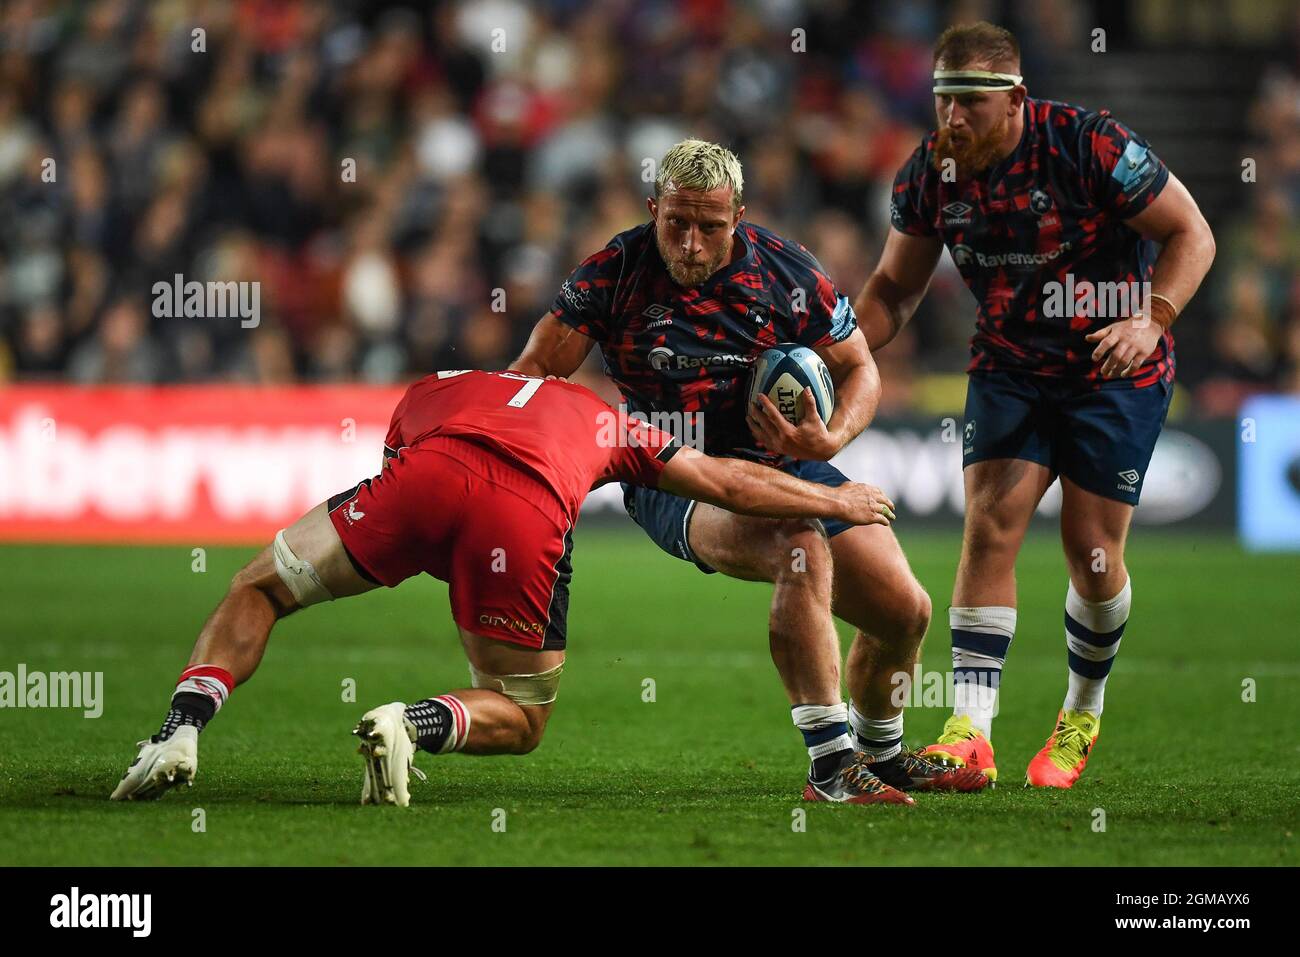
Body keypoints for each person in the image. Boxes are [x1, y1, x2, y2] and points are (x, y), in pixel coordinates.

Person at [111, 370, 898, 806]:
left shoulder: (436, 384)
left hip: (425, 473)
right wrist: (836, 499)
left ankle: (179, 729)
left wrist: (424, 543)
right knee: (521, 712)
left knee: (263, 585)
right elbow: (722, 479)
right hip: (524, 514)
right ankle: (410, 721)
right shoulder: (602, 418)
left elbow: (399, 460)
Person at [513, 139, 988, 803]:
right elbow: (531, 377)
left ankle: (879, 755)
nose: (691, 243)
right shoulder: (613, 272)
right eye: (676, 223)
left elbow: (860, 367)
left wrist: (831, 438)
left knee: (903, 612)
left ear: (738, 215)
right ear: (654, 209)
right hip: (674, 475)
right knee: (798, 547)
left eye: (710, 226)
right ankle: (830, 766)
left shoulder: (784, 273)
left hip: (785, 461)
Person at [854, 22, 1215, 787]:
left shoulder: (1091, 146)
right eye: (944, 101)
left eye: (971, 105)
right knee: (988, 527)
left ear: (1016, 98)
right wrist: (841, 349)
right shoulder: (930, 172)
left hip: (1111, 366)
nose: (953, 120)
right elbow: (894, 289)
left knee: (1091, 550)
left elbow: (1192, 232)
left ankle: (1082, 707)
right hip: (1012, 364)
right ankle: (969, 733)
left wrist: (1153, 318)